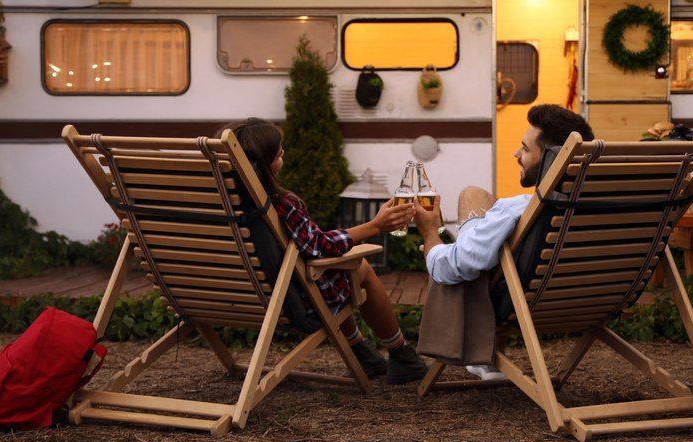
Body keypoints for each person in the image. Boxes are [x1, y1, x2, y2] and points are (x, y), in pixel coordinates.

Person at [219, 118, 428, 384]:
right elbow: (317, 247)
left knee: (335, 273)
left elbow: (309, 245)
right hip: (289, 304)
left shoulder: (218, 205)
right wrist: (375, 226)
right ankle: (401, 354)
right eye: (278, 152)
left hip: (223, 299)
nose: (282, 153)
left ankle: (360, 352)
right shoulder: (280, 205)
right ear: (262, 163)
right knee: (357, 267)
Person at [412, 104, 593, 379]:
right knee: (474, 195)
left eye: (525, 148)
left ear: (549, 160)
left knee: (464, 246)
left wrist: (430, 234)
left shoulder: (516, 210)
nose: (516, 154)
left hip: (520, 299)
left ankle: (481, 354)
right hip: (589, 297)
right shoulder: (604, 208)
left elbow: (452, 269)